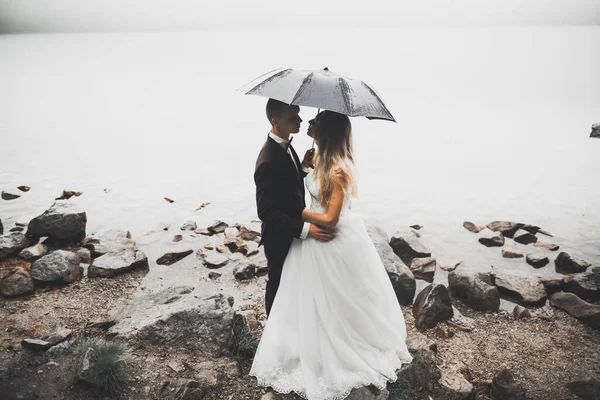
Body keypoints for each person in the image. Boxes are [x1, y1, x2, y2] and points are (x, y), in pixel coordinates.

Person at [250, 110, 412, 400]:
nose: (304, 122)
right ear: (277, 121)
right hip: (302, 238)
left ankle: (329, 346)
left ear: (325, 132)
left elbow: (330, 216)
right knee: (298, 292)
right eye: (297, 117)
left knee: (331, 296)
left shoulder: (335, 168)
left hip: (324, 236)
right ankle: (294, 343)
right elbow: (271, 207)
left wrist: (301, 212)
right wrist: (307, 172)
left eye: (311, 120)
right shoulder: (277, 157)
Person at [254, 99, 335, 317]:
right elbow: (266, 212)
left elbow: (285, 186)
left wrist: (302, 167)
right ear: (275, 121)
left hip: (292, 230)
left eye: (298, 114)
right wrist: (306, 230)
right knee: (278, 284)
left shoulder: (285, 145)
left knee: (292, 283)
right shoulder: (267, 160)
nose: (300, 120)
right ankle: (272, 333)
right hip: (279, 237)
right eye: (293, 117)